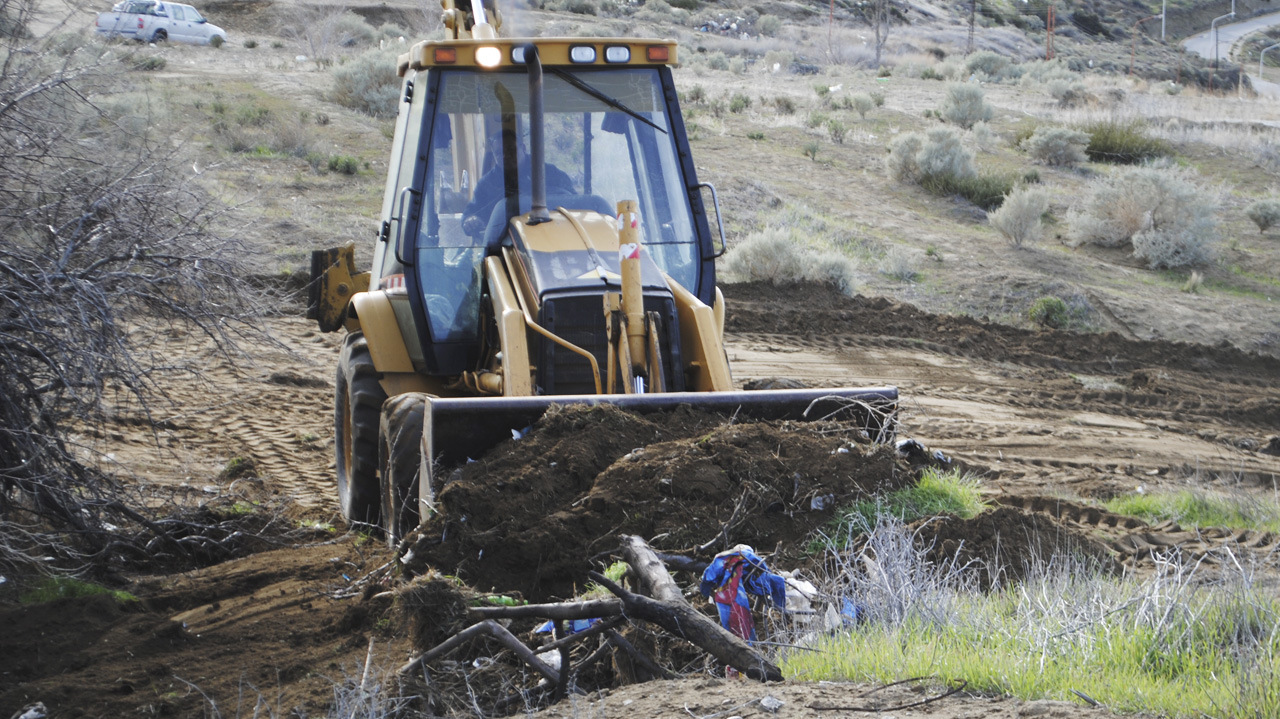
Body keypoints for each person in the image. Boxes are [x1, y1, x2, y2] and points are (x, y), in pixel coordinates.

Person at [461, 130, 575, 238]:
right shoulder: (486, 184)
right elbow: (470, 214)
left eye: (511, 149)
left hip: (551, 235)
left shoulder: (549, 173)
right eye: (499, 153)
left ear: (523, 148)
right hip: (502, 243)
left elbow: (574, 201)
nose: (506, 155)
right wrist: (470, 221)